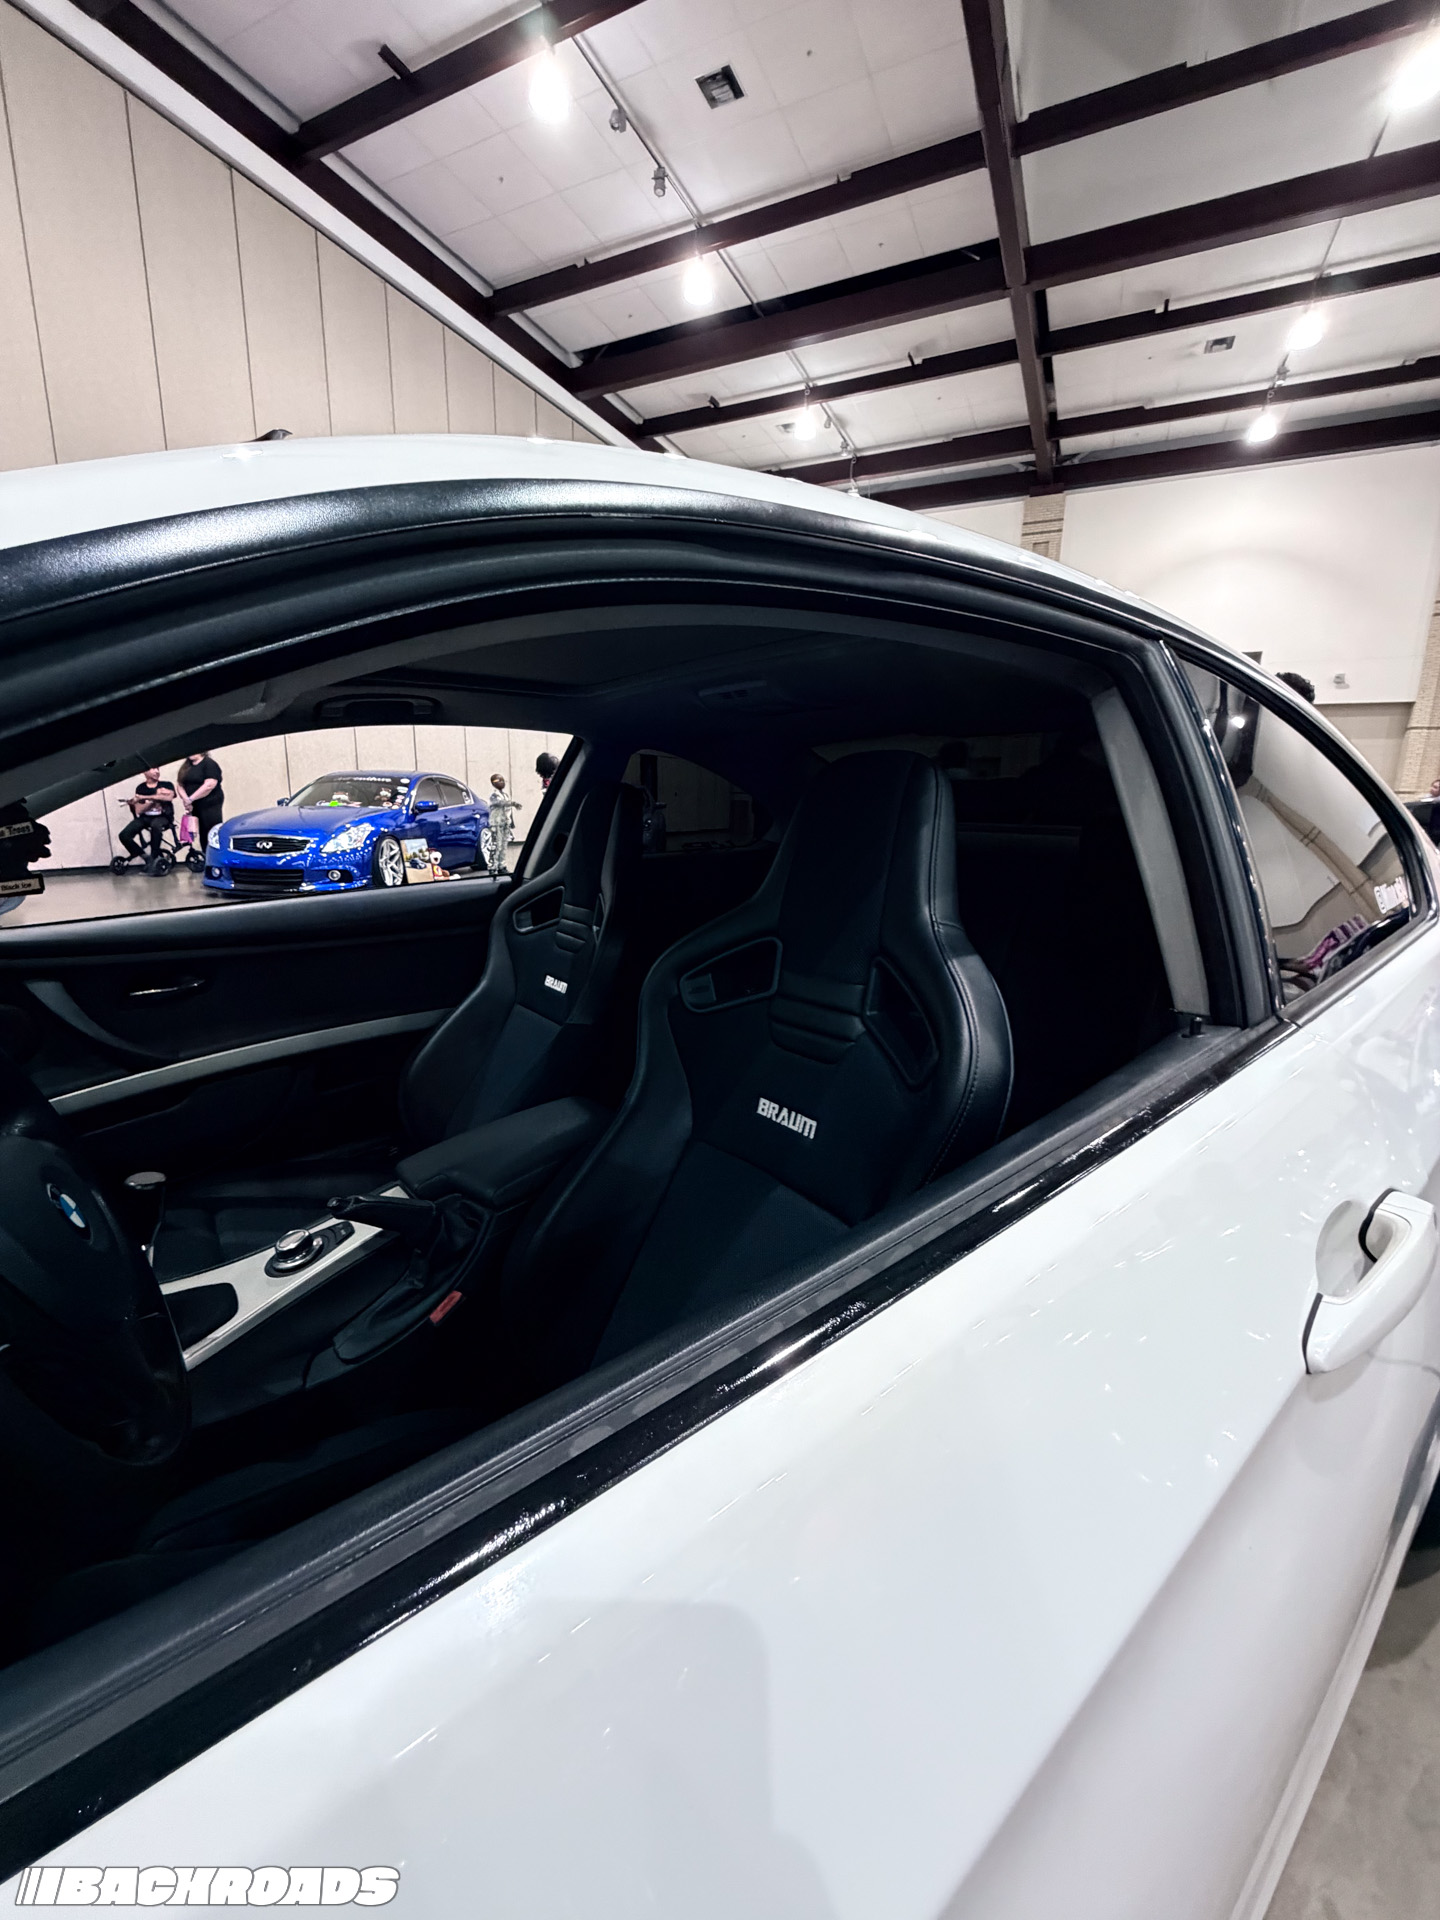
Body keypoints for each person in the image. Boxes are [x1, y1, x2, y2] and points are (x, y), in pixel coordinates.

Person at [118, 766, 176, 865]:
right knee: (124, 835)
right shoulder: (141, 788)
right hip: (145, 818)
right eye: (153, 769)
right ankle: (144, 856)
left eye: (158, 769)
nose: (156, 771)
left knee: (155, 825)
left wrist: (145, 797)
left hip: (163, 817)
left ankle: (154, 855)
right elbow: (139, 810)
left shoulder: (167, 784)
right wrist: (155, 799)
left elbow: (169, 797)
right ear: (144, 772)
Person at [177, 750, 224, 851]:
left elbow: (209, 785)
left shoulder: (209, 764)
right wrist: (186, 799)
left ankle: (214, 855)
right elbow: (180, 784)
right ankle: (204, 854)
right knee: (201, 832)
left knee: (211, 830)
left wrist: (191, 798)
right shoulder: (186, 766)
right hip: (195, 805)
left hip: (209, 803)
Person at [483, 772, 521, 877]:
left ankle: (502, 866)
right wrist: (513, 803)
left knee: (504, 846)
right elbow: (500, 803)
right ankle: (492, 867)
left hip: (505, 823)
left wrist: (511, 822)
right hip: (496, 824)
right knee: (496, 846)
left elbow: (508, 810)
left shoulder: (506, 795)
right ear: (493, 783)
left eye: (503, 780)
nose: (502, 782)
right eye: (499, 780)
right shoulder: (494, 795)